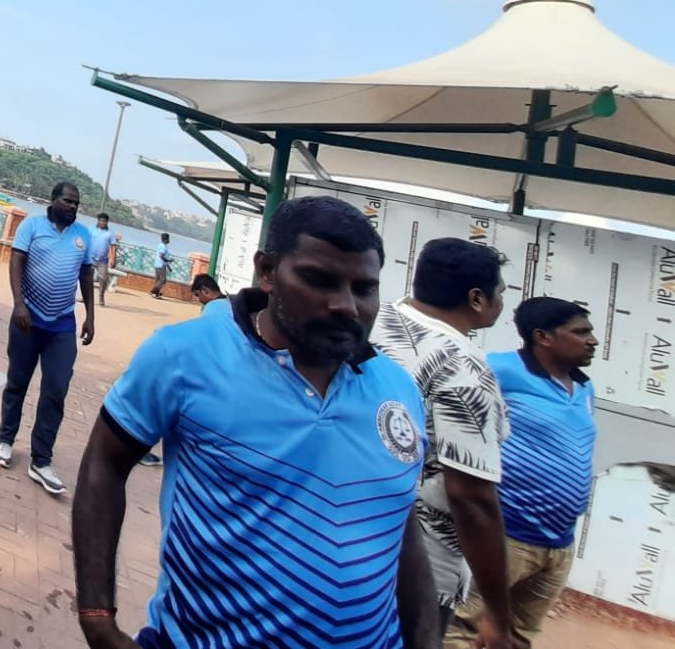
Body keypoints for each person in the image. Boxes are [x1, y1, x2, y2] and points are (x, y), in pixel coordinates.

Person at [72, 195, 439, 649]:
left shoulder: (399, 391)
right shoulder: (183, 355)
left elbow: (398, 519)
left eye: (364, 289)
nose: (346, 305)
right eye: (319, 280)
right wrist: (97, 619)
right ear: (267, 271)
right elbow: (104, 464)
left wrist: (427, 639)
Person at [370, 238, 512, 646]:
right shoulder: (464, 370)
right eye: (501, 292)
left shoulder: (374, 320)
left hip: (340, 535)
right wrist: (498, 614)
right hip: (416, 571)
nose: (502, 301)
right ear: (477, 299)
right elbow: (471, 498)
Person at [446, 298, 598, 649]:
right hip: (505, 535)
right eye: (580, 332)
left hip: (559, 544)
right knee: (462, 628)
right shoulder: (498, 369)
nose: (592, 340)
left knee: (518, 638)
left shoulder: (584, 386)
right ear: (543, 337)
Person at [0, 181, 96, 496]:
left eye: (77, 203)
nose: (73, 207)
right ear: (53, 200)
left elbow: (87, 275)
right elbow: (16, 262)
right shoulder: (32, 226)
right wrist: (19, 304)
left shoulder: (83, 235)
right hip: (27, 320)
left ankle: (41, 460)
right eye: (68, 201)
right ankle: (5, 439)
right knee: (18, 382)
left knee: (56, 389)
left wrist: (91, 316)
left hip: (61, 325)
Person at [90, 213, 118, 307]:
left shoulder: (110, 233)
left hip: (103, 260)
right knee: (87, 279)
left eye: (104, 221)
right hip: (90, 258)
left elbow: (113, 247)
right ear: (98, 220)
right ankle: (85, 296)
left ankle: (101, 296)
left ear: (107, 222)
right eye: (101, 220)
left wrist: (113, 259)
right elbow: (85, 240)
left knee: (103, 279)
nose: (102, 222)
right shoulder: (91, 229)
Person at [150, 233, 173, 298]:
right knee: (163, 280)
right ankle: (153, 291)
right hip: (161, 265)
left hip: (157, 264)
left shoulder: (160, 245)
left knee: (158, 280)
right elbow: (161, 255)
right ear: (166, 239)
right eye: (169, 238)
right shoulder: (163, 247)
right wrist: (168, 261)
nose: (169, 240)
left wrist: (168, 266)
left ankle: (156, 294)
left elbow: (163, 256)